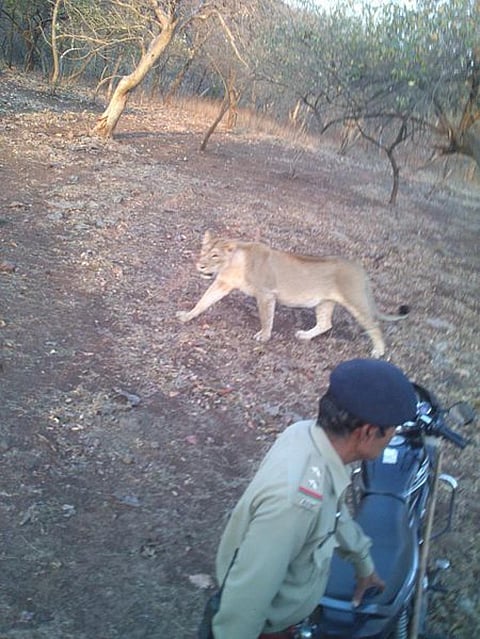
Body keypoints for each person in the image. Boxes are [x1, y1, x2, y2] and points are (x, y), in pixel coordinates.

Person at [207, 358, 417, 639]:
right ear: (367, 432)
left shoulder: (306, 436)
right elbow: (245, 602)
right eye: (392, 430)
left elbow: (333, 511)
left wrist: (362, 563)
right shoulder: (295, 504)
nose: (392, 437)